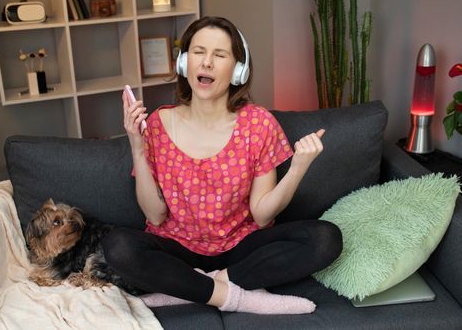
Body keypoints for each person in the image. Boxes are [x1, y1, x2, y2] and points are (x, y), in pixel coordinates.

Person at [102, 16, 342, 314]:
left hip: (241, 251)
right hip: (177, 250)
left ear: (238, 70)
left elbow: (263, 216)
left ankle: (193, 288)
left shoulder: (259, 124)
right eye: (199, 52)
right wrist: (137, 147)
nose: (207, 63)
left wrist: (298, 168)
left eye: (219, 55)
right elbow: (155, 214)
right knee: (117, 246)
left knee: (325, 238)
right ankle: (237, 297)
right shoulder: (157, 124)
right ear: (184, 64)